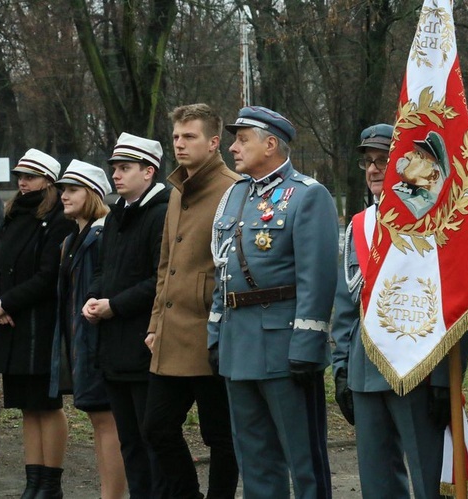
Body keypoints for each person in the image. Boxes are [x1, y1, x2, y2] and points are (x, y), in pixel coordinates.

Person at [332, 124, 468, 498]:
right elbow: (347, 304)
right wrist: (341, 367)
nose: (374, 170)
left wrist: (444, 379)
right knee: (377, 484)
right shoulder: (360, 225)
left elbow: (458, 302)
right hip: (365, 372)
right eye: (368, 162)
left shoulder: (433, 225)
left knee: (431, 482)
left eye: (384, 160)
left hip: (418, 372)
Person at [208, 106, 337, 499]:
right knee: (255, 459)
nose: (233, 148)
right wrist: (215, 333)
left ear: (270, 144)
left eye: (242, 139)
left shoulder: (307, 195)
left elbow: (316, 279)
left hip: (284, 345)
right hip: (238, 344)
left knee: (304, 459)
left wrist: (307, 343)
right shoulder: (234, 196)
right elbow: (222, 267)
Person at [142, 104, 240, 499]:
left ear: (214, 142)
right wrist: (153, 325)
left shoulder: (234, 189)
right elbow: (166, 264)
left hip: (212, 330)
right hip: (170, 331)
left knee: (220, 434)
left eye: (190, 137)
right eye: (177, 137)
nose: (179, 145)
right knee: (156, 427)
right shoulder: (177, 191)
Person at [82, 133, 170, 499]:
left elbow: (159, 278)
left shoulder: (163, 212)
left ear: (148, 172)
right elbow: (104, 268)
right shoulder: (117, 213)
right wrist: (93, 297)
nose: (116, 176)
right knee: (128, 439)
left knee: (152, 438)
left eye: (125, 168)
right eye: (115, 168)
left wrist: (113, 306)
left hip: (144, 343)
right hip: (113, 346)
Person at [0, 149, 74, 499]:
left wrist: (7, 302)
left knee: (46, 405)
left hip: (40, 325)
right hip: (10, 324)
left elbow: (48, 275)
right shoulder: (11, 214)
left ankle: (50, 482)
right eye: (20, 175)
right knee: (25, 406)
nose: (22, 182)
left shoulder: (58, 218)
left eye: (31, 176)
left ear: (48, 181)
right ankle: (32, 480)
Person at [49, 160, 126, 499]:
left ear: (93, 193)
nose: (63, 195)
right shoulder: (73, 239)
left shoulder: (100, 235)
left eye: (72, 189)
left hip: (98, 344)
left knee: (108, 422)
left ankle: (113, 495)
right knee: (99, 422)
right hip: (81, 343)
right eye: (62, 189)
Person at [392, 131, 449, 218]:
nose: (407, 154)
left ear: (434, 176)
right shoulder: (402, 190)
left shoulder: (416, 208)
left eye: (418, 154)